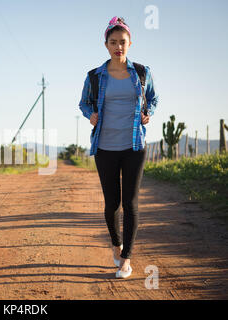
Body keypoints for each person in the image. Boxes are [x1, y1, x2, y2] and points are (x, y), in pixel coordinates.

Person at [79, 16, 158, 279]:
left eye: (122, 42)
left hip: (135, 145)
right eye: (113, 42)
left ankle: (126, 260)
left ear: (130, 43)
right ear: (106, 45)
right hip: (105, 146)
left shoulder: (142, 72)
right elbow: (84, 103)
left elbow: (153, 99)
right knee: (112, 203)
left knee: (131, 203)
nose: (118, 47)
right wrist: (90, 114)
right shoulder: (94, 76)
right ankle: (116, 244)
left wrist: (150, 113)